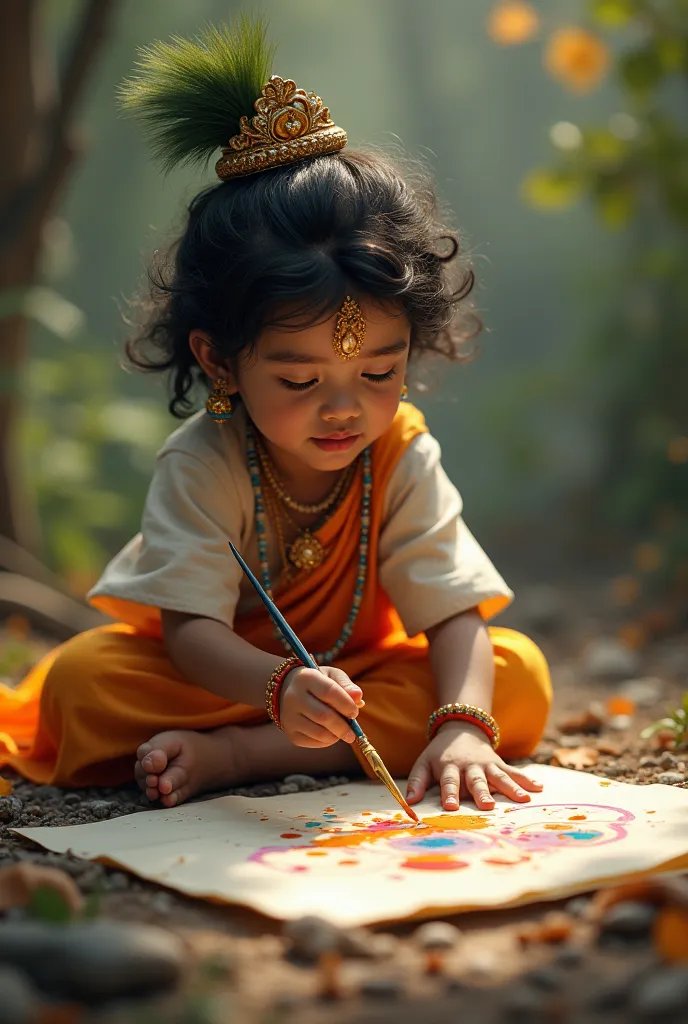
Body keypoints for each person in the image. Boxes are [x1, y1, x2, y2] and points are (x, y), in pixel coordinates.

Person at [0, 21, 551, 814]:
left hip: (356, 683)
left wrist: (464, 726)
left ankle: (236, 759)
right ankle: (255, 740)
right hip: (224, 682)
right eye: (298, 378)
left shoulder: (401, 452)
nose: (344, 407)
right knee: (85, 684)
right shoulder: (203, 462)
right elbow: (189, 635)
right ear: (221, 361)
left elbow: (452, 609)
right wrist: (281, 686)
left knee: (515, 673)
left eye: (379, 372)